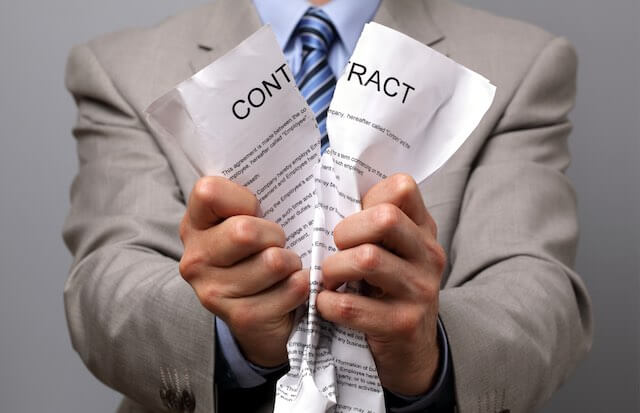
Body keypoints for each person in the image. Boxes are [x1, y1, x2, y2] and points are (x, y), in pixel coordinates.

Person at [62, 0, 593, 412]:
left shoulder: (519, 62)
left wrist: (427, 353)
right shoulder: (122, 66)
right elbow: (107, 286)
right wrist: (231, 334)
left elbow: (539, 294)